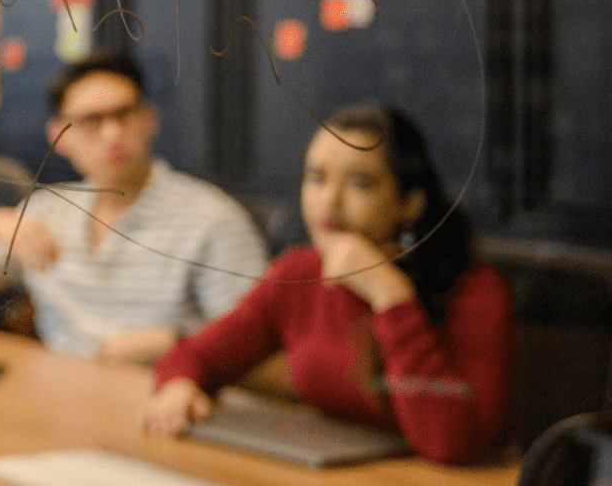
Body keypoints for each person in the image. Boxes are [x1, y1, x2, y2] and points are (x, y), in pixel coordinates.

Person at [141, 104, 515, 465]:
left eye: (360, 183)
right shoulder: (300, 272)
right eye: (317, 178)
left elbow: (450, 445)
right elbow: (193, 357)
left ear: (409, 203)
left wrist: (388, 293)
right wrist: (180, 385)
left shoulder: (477, 292)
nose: (329, 201)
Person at [0, 52, 267, 363]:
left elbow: (264, 346)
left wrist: (176, 342)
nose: (112, 135)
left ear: (149, 120)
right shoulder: (48, 212)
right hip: (58, 397)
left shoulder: (211, 219)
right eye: (91, 121)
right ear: (59, 136)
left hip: (165, 398)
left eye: (124, 115)